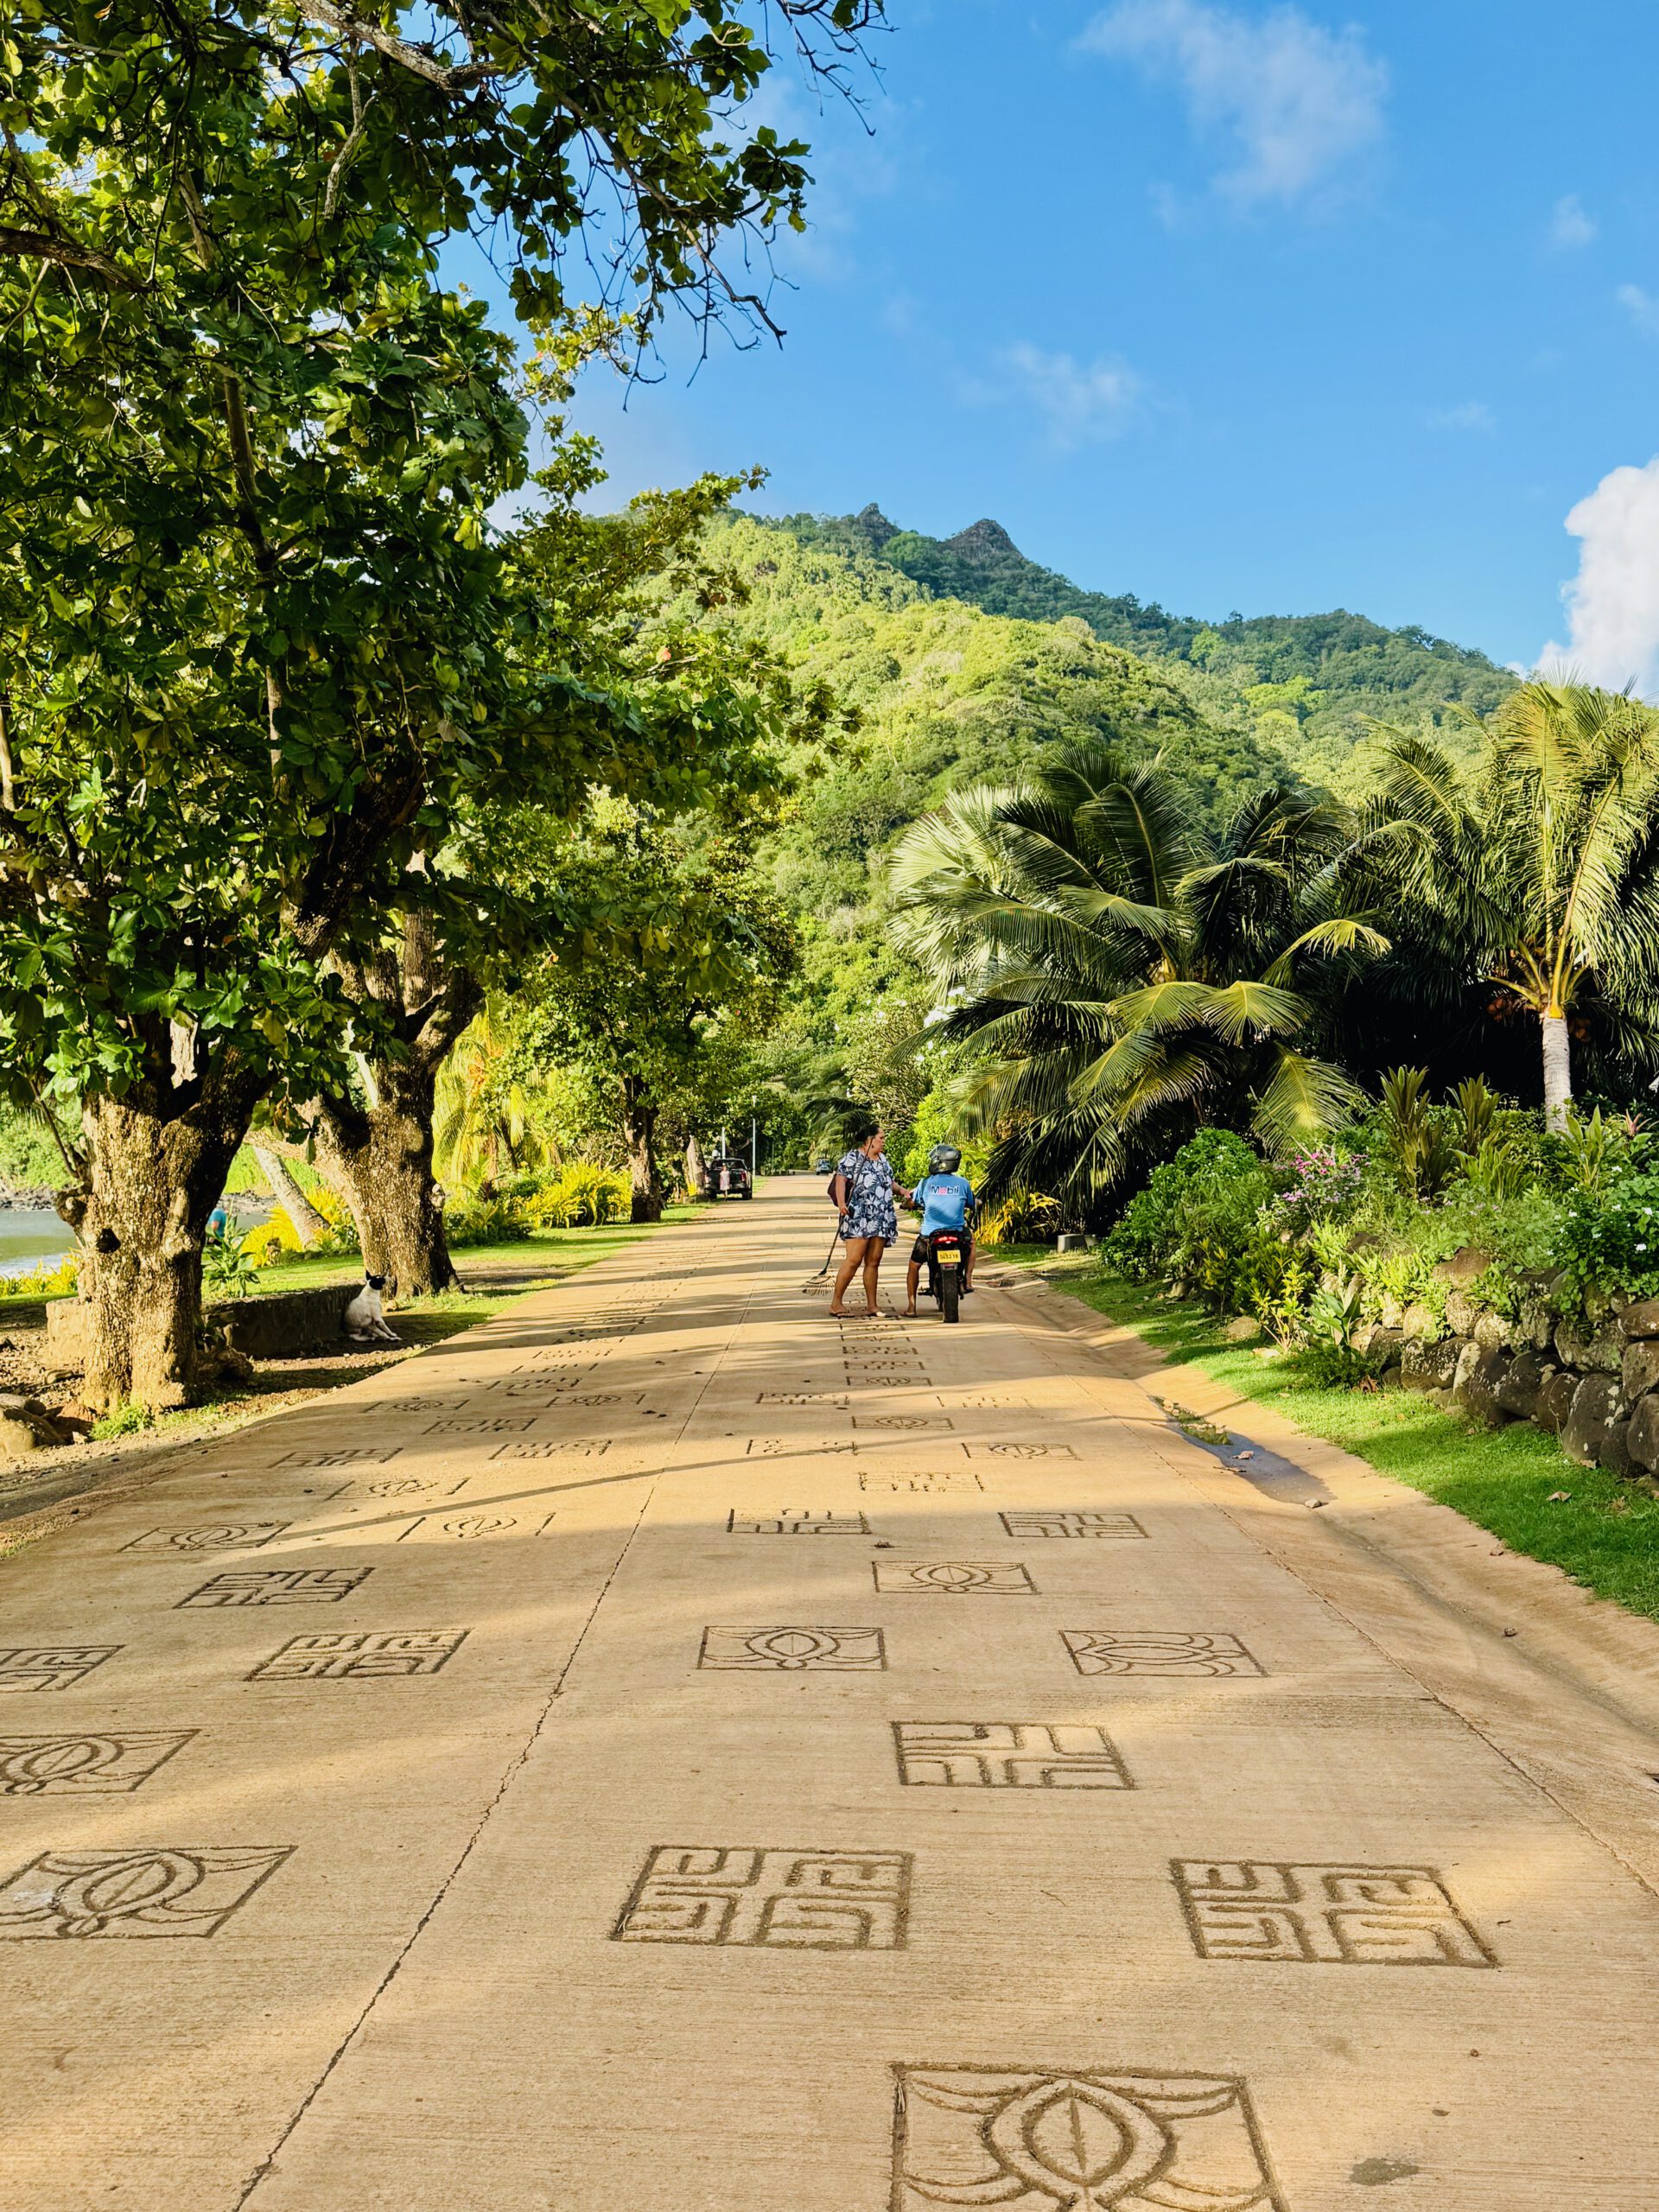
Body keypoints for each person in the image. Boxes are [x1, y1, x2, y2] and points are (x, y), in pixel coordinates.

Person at [829, 1124, 912, 1318]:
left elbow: (888, 1182)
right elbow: (840, 1180)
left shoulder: (882, 1159)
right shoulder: (852, 1158)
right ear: (869, 1140)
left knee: (874, 1261)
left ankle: (872, 1305)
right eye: (881, 1137)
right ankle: (836, 1303)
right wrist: (841, 1203)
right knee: (854, 1260)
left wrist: (902, 1191)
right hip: (858, 1215)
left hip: (880, 1216)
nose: (883, 1141)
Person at [904, 1144, 977, 1317]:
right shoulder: (962, 1183)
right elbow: (972, 1203)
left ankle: (911, 1307)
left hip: (930, 1236)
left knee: (914, 1266)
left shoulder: (926, 1183)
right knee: (972, 1242)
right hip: (957, 1234)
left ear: (938, 1162)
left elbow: (913, 1201)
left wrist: (908, 1204)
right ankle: (967, 1281)